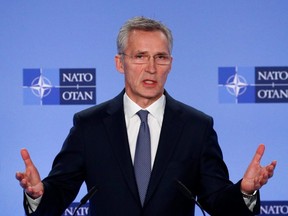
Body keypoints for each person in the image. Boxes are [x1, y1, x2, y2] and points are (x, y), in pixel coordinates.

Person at [16, 16, 276, 216]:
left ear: (170, 64)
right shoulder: (89, 125)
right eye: (140, 56)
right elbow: (59, 193)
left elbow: (218, 202)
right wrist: (38, 194)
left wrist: (245, 191)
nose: (151, 68)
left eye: (160, 57)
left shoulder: (197, 127)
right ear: (120, 63)